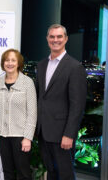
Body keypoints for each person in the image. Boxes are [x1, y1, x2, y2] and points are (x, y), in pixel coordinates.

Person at [36, 24, 87, 180]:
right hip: (43, 131)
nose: (55, 40)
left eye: (59, 37)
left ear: (66, 39)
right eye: (52, 36)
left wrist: (69, 135)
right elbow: (40, 97)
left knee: (65, 175)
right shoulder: (41, 65)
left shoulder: (74, 67)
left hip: (62, 134)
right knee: (51, 172)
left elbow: (77, 105)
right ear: (47, 39)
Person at [0, 49, 37, 180]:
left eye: (13, 60)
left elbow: (32, 112)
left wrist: (27, 137)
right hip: (2, 136)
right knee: (7, 172)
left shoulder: (27, 82)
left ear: (18, 63)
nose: (9, 63)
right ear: (3, 63)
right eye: (7, 60)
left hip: (20, 137)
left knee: (24, 173)